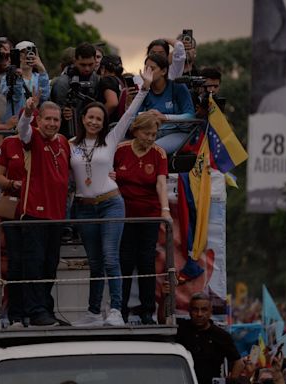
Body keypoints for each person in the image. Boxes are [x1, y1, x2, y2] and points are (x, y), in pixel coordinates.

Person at [69, 67, 152, 327]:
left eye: (99, 119)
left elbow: (128, 115)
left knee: (109, 257)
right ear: (83, 119)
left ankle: (116, 310)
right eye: (90, 117)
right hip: (83, 207)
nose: (94, 122)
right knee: (94, 262)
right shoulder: (69, 144)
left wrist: (145, 88)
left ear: (104, 123)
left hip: (110, 204)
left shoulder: (111, 139)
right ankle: (94, 312)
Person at [16, 98, 70, 326]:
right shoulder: (32, 137)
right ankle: (35, 311)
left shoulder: (65, 142)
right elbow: (22, 129)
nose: (52, 123)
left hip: (56, 215)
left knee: (50, 265)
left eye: (56, 119)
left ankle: (46, 309)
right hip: (34, 213)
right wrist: (27, 112)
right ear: (39, 120)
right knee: (35, 264)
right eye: (47, 118)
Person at [114, 111, 170, 324]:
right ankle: (120, 310)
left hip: (149, 215)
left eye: (154, 134)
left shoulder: (159, 153)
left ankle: (148, 311)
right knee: (125, 262)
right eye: (146, 133)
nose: (150, 138)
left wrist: (165, 210)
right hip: (123, 216)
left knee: (147, 262)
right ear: (135, 131)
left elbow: (161, 183)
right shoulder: (120, 150)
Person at [176, 292, 244, 384]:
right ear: (189, 311)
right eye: (195, 310)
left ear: (210, 312)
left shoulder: (221, 335)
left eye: (204, 310)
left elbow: (238, 362)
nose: (199, 314)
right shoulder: (182, 329)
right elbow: (163, 320)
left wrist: (232, 380)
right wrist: (164, 298)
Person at [0, 134, 26, 326]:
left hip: (39, 209)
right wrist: (11, 183)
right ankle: (16, 313)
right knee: (16, 262)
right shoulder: (9, 143)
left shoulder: (49, 141)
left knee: (37, 261)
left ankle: (36, 311)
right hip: (13, 209)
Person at [138, 53, 195, 154]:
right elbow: (134, 117)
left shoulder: (178, 87)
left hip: (177, 132)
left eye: (152, 68)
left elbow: (190, 116)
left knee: (153, 150)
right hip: (150, 134)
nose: (148, 72)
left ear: (163, 71)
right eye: (146, 69)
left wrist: (165, 117)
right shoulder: (144, 89)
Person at [51, 42, 100, 138]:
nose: (87, 68)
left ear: (95, 60)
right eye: (83, 65)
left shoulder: (97, 79)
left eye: (90, 64)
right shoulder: (63, 83)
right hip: (67, 135)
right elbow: (52, 113)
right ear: (75, 61)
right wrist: (62, 112)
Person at [1, 41, 50, 122]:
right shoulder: (8, 77)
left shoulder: (40, 77)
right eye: (22, 53)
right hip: (16, 125)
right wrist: (17, 76)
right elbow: (15, 97)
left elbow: (44, 98)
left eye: (30, 53)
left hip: (35, 124)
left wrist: (41, 69)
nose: (27, 56)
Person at [96, 54, 125, 124]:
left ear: (103, 68)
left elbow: (112, 103)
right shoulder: (121, 81)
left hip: (110, 125)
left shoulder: (107, 80)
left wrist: (98, 118)